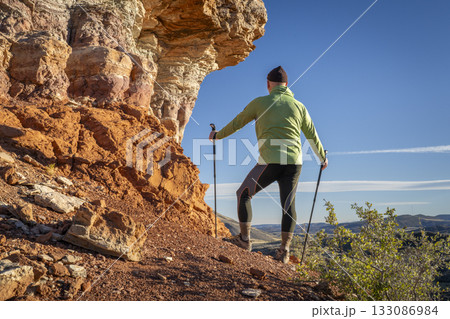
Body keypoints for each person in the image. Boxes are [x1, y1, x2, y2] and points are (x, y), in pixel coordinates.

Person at [209, 66, 328, 263]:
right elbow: (312, 134)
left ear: (268, 85)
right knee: (288, 205)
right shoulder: (299, 107)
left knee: (243, 194)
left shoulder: (260, 103)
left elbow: (238, 122)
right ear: (287, 85)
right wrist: (322, 157)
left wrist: (217, 135)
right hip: (294, 164)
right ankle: (284, 251)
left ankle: (244, 240)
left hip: (270, 162)